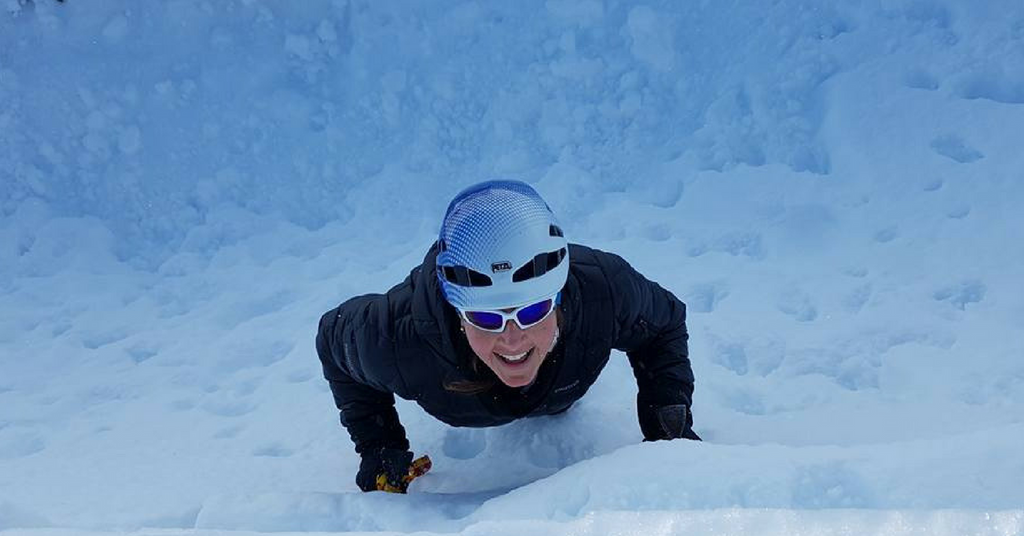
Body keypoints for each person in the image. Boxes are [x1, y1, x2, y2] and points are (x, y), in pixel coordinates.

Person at [315, 179, 699, 493]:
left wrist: (668, 423)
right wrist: (379, 445)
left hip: (559, 383)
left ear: (560, 298)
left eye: (532, 312)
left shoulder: (604, 291)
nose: (512, 341)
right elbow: (332, 341)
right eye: (485, 318)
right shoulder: (398, 338)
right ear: (457, 314)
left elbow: (663, 325)